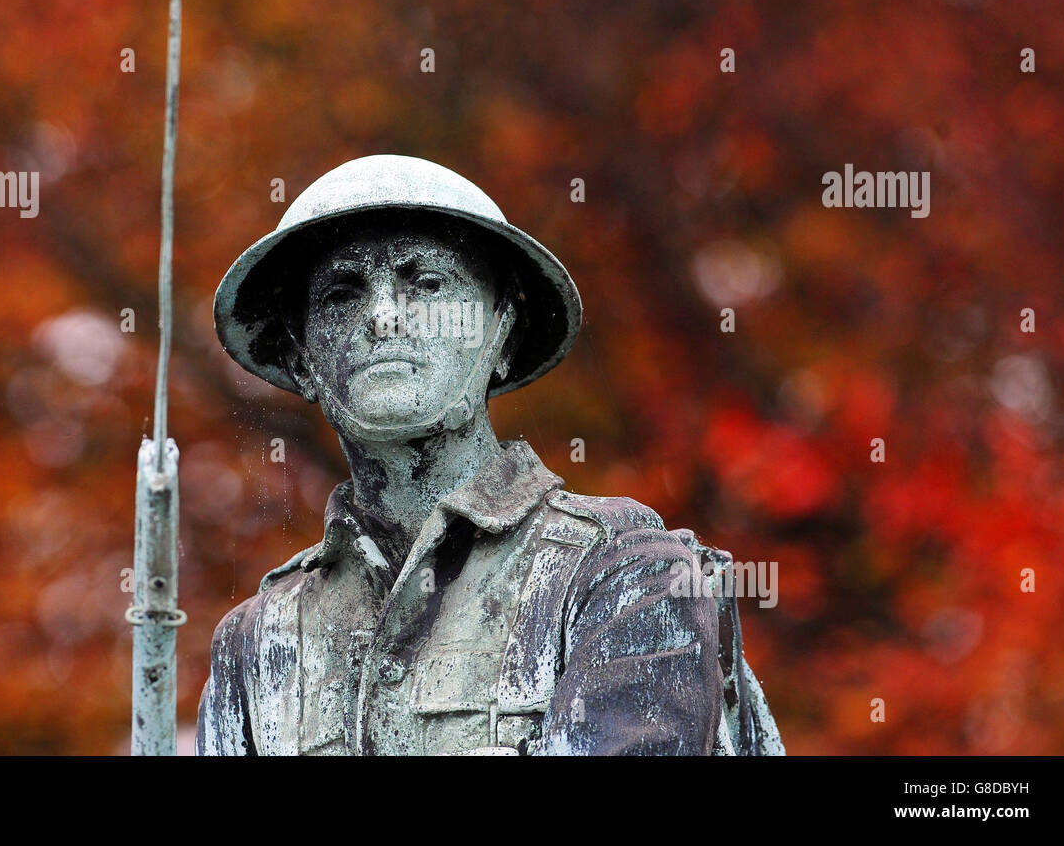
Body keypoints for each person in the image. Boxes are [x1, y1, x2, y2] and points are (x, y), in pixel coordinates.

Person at [199, 154, 783, 755]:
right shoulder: (255, 642)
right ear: (302, 362)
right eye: (342, 295)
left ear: (500, 332)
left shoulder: (625, 572)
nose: (384, 317)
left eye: (426, 285)